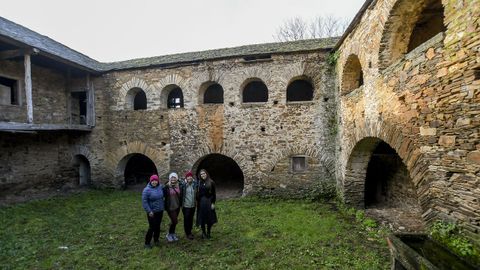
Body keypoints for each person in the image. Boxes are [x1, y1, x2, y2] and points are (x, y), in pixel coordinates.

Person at [141, 174, 164, 249]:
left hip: (160, 211)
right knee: (152, 227)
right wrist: (149, 211)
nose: (154, 182)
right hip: (152, 212)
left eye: (156, 181)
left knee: (158, 226)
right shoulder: (146, 190)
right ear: (150, 181)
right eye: (153, 181)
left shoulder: (160, 187)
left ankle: (156, 240)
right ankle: (147, 243)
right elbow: (144, 202)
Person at [196, 169, 217, 239]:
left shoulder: (211, 182)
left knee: (209, 218)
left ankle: (208, 232)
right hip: (201, 202)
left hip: (209, 201)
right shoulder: (199, 182)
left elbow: (214, 194)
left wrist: (213, 203)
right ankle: (203, 232)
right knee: (202, 218)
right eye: (201, 174)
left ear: (206, 174)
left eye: (204, 173)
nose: (203, 175)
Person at [163, 172, 183, 242]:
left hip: (177, 206)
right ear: (169, 178)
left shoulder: (179, 185)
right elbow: (162, 196)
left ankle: (173, 234)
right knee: (175, 221)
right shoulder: (166, 186)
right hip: (170, 207)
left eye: (174, 177)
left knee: (173, 221)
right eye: (172, 177)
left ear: (177, 178)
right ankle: (169, 234)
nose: (173, 179)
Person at [181, 171, 197, 240]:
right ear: (186, 178)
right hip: (186, 206)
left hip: (193, 205)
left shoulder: (194, 184)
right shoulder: (184, 185)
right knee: (186, 219)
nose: (189, 177)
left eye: (190, 176)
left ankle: (189, 231)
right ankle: (188, 233)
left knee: (191, 218)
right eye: (188, 177)